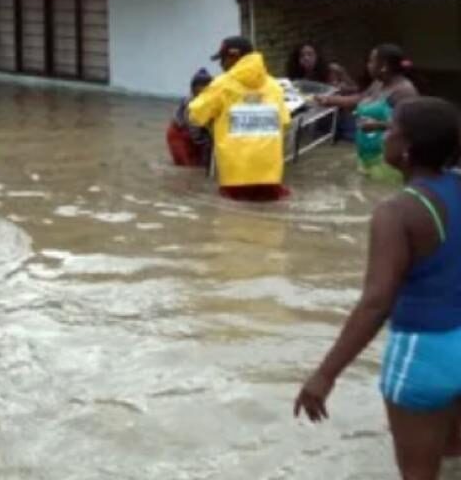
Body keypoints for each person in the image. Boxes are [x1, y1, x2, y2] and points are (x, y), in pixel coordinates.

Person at [296, 97, 461, 480]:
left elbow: (376, 302)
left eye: (389, 129)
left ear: (406, 148)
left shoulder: (397, 211)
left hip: (425, 354)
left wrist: (325, 375)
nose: (383, 136)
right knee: (453, 458)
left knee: (418, 474)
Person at [189, 36, 291, 201]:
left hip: (235, 176)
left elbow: (195, 115)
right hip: (271, 175)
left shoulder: (222, 85)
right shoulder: (274, 86)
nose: (221, 65)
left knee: (234, 223)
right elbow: (285, 123)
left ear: (234, 56)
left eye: (222, 59)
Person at [317, 44, 419, 182]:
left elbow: (413, 128)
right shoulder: (379, 83)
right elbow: (360, 99)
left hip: (388, 161)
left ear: (384, 66)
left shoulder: (404, 91)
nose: (368, 65)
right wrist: (329, 100)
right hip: (367, 156)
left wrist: (378, 125)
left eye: (371, 61)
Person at [167, 68, 213, 167]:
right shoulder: (191, 103)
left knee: (199, 165)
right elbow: (194, 130)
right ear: (193, 87)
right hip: (178, 133)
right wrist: (207, 141)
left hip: (195, 133)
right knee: (186, 166)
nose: (203, 88)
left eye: (206, 85)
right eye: (200, 85)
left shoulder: (209, 100)